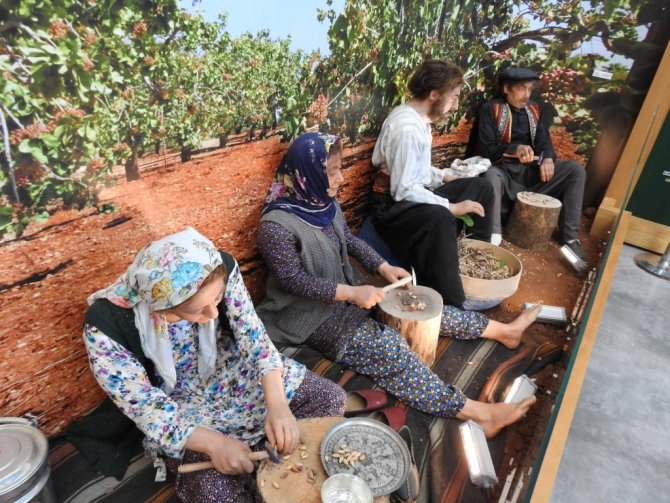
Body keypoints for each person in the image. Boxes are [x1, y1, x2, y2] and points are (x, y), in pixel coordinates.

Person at [256, 132, 539, 439]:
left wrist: (383, 267)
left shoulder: (323, 203)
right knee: (389, 348)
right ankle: (479, 414)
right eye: (333, 170)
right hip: (309, 317)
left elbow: (348, 239)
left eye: (340, 168)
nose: (341, 178)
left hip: (348, 295)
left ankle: (503, 331)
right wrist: (351, 293)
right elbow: (293, 281)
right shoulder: (275, 226)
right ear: (307, 174)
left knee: (417, 306)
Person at [82, 227, 345, 503]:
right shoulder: (105, 327)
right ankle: (255, 458)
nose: (212, 315)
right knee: (211, 491)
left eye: (217, 299)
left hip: (227, 367)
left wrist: (277, 405)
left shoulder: (217, 266)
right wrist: (215, 444)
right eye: (197, 310)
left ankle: (267, 455)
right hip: (176, 399)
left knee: (329, 398)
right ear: (160, 309)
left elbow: (253, 337)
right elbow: (145, 406)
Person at [370, 59, 495, 308]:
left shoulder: (420, 120)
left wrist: (446, 177)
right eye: (454, 98)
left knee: (481, 187)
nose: (455, 106)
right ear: (434, 94)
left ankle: (474, 264)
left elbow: (416, 169)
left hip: (408, 194)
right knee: (441, 217)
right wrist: (451, 206)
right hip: (390, 208)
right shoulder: (406, 129)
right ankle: (451, 302)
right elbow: (404, 189)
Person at [478, 67, 586, 257]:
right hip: (505, 174)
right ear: (506, 89)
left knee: (575, 170)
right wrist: (515, 149)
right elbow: (487, 149)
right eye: (521, 89)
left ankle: (570, 238)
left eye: (530, 89)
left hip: (532, 175)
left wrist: (548, 159)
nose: (527, 95)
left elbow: (544, 141)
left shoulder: (534, 109)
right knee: (490, 175)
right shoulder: (491, 109)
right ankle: (493, 235)